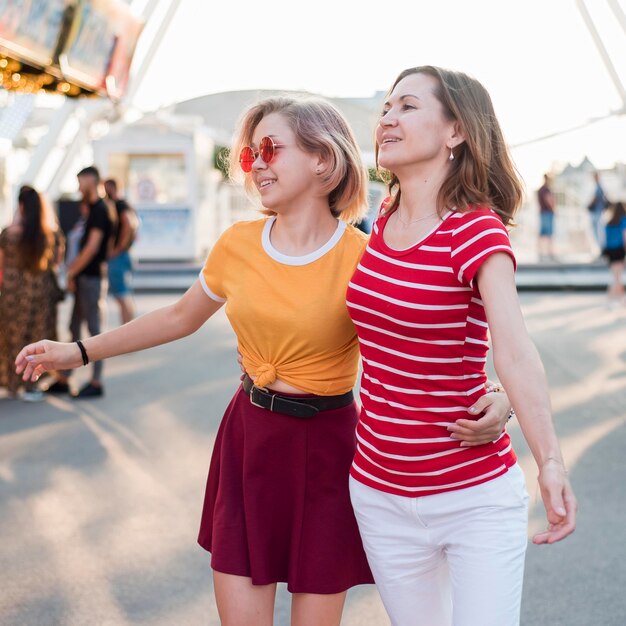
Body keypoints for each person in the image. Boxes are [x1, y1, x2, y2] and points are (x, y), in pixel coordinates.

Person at [15, 96, 512, 626]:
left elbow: (420, 349)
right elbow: (178, 317)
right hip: (249, 439)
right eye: (251, 155)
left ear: (324, 159)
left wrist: (500, 396)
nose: (258, 165)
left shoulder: (366, 258)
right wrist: (77, 351)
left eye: (271, 148)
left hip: (331, 451)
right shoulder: (237, 244)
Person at [346, 66, 577, 626]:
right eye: (386, 109)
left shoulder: (475, 230)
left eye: (407, 107)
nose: (388, 119)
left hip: (471, 496)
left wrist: (549, 459)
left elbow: (514, 348)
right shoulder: (378, 221)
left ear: (456, 132)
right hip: (378, 492)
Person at [43, 166, 114, 399]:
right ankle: (64, 378)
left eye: (80, 181)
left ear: (90, 181)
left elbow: (92, 247)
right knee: (74, 328)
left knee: (94, 331)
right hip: (85, 278)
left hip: (91, 278)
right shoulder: (93, 209)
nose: (78, 187)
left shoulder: (100, 210)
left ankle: (96, 381)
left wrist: (71, 273)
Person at [0, 186, 64, 401]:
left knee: (11, 337)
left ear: (21, 206)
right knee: (36, 338)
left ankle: (11, 384)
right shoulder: (50, 234)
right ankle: (31, 385)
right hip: (39, 294)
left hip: (11, 294)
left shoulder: (8, 234)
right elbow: (57, 261)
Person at [104, 178, 137, 325]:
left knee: (122, 295)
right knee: (124, 295)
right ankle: (129, 329)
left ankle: (127, 330)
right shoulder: (125, 204)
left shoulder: (119, 205)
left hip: (119, 256)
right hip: (124, 255)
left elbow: (129, 225)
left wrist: (118, 248)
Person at [602, 201, 626, 308]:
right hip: (619, 250)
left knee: (616, 276)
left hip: (610, 252)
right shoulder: (623, 221)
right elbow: (624, 236)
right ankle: (611, 299)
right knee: (617, 277)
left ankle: (621, 299)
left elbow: (604, 239)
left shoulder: (609, 223)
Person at [537, 173, 556, 261]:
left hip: (542, 213)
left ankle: (541, 252)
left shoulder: (540, 189)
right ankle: (550, 252)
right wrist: (553, 208)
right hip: (547, 213)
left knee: (542, 234)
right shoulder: (546, 189)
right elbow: (548, 200)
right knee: (549, 233)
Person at [588, 171, 609, 249]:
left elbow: (595, 199)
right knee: (598, 230)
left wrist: (588, 206)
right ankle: (601, 247)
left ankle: (600, 247)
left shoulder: (598, 187)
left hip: (597, 211)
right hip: (599, 211)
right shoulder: (600, 187)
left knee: (597, 230)